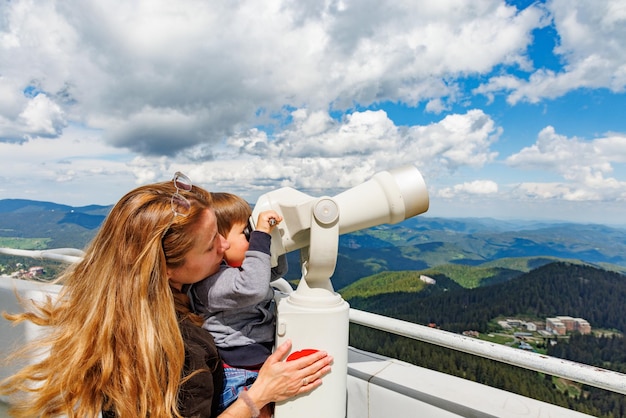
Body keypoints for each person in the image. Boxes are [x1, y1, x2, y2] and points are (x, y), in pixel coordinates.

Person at [0, 172, 332, 418]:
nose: (223, 246)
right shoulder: (178, 349)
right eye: (209, 244)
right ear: (166, 268)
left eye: (219, 232)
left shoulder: (125, 315)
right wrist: (260, 394)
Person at [190, 193, 287, 412]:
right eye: (246, 232)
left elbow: (276, 271)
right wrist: (261, 236)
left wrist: (278, 240)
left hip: (253, 364)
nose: (253, 238)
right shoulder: (211, 283)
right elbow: (254, 287)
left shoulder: (240, 272)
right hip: (237, 372)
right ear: (219, 242)